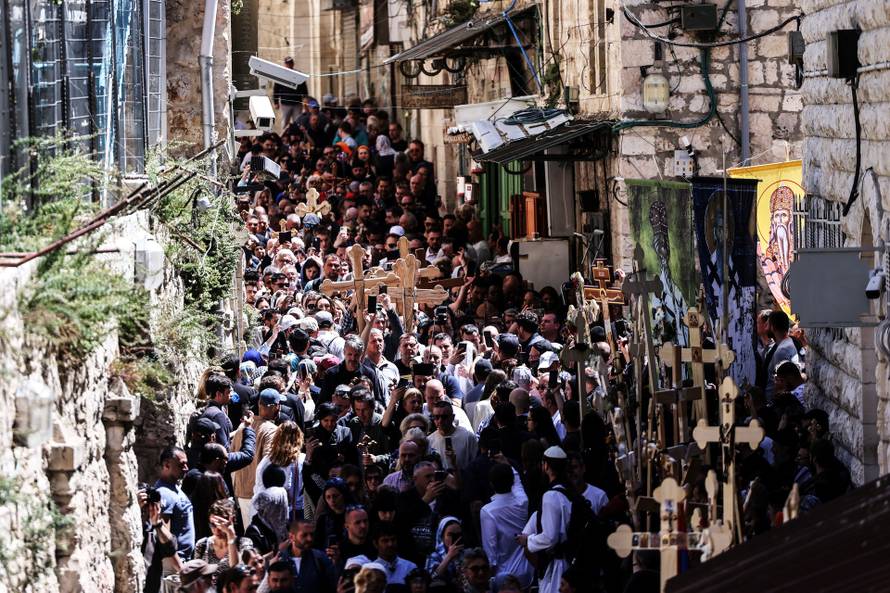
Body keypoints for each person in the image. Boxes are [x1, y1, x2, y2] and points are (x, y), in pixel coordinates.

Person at [517, 446, 572, 593]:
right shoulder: (570, 491)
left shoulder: (551, 496)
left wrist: (528, 540)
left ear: (546, 466)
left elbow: (550, 537)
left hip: (558, 567)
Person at [480, 463, 534, 589]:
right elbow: (518, 482)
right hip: (527, 573)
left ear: (491, 484)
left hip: (504, 578)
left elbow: (490, 552)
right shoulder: (522, 501)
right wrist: (507, 463)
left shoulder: (488, 511)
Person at [154, 446, 195, 560]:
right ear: (167, 465)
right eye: (181, 465)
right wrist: (178, 565)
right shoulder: (163, 493)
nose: (186, 468)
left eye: (186, 464)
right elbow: (164, 536)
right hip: (176, 562)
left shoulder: (174, 488)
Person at [273, 519, 337, 593]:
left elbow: (332, 585)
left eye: (312, 534)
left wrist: (336, 562)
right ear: (291, 537)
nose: (310, 539)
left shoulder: (320, 558)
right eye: (304, 535)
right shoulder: (279, 560)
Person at [427, 400, 478, 472]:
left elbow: (475, 464)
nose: (440, 420)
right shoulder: (429, 441)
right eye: (436, 417)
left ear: (452, 417)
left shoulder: (468, 437)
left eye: (444, 417)